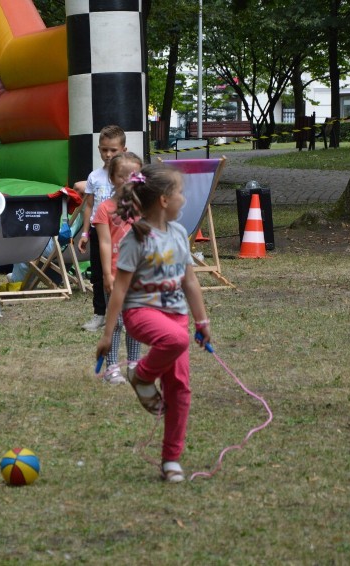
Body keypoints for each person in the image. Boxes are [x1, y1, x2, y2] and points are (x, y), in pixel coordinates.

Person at [96, 163, 212, 483]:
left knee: (180, 388)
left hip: (176, 315)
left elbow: (189, 281)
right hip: (141, 313)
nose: (184, 200)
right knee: (176, 341)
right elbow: (119, 289)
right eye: (180, 194)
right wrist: (108, 335)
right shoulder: (136, 238)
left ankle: (171, 459)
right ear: (163, 199)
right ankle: (141, 375)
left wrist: (202, 321)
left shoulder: (177, 233)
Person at [93, 152, 145, 385]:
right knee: (115, 323)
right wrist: (107, 274)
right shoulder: (105, 208)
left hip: (138, 275)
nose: (128, 181)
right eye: (122, 176)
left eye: (133, 176)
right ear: (112, 178)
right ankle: (112, 367)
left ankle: (134, 365)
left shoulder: (143, 208)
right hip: (115, 274)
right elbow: (104, 242)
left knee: (135, 321)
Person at [78, 125, 128, 332]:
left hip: (123, 233)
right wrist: (84, 232)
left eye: (113, 150)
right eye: (103, 149)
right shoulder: (94, 177)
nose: (108, 154)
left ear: (123, 150)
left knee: (124, 273)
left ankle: (126, 315)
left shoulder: (129, 176)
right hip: (99, 233)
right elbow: (89, 205)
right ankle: (100, 314)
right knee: (98, 274)